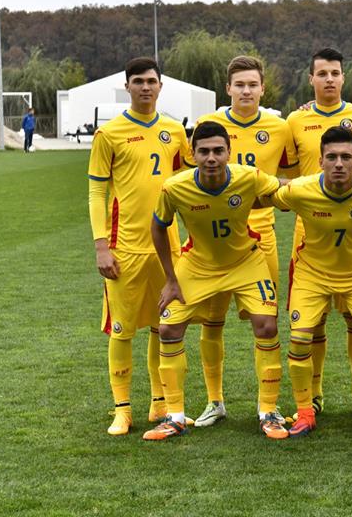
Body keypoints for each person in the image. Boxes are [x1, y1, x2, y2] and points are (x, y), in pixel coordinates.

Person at [142, 121, 287, 441]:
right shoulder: (175, 187)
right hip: (198, 264)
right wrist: (170, 279)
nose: (211, 157)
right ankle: (175, 415)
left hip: (246, 261)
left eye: (218, 151)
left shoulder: (248, 176)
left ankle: (268, 411)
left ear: (229, 153)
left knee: (267, 325)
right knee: (168, 327)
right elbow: (157, 227)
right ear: (192, 154)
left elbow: (281, 189)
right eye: (204, 151)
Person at [185, 55, 299, 429]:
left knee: (265, 325)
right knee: (211, 322)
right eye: (240, 84)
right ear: (228, 88)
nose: (246, 90)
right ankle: (214, 401)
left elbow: (292, 177)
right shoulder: (209, 126)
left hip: (260, 238)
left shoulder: (279, 126)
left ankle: (267, 406)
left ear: (263, 88)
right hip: (212, 239)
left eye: (253, 84)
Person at [87, 56, 190, 436]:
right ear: (127, 86)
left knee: (163, 327)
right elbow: (97, 192)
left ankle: (159, 405)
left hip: (169, 248)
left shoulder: (175, 131)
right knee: (122, 329)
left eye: (151, 81)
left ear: (161, 86)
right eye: (138, 81)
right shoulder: (109, 134)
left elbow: (187, 186)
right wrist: (101, 245)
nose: (145, 87)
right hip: (124, 249)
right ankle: (122, 409)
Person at [268, 126, 352, 437]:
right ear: (320, 161)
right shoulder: (300, 190)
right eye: (332, 157)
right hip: (312, 275)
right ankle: (305, 412)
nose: (339, 163)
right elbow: (264, 197)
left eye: (346, 157)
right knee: (300, 337)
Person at [285, 48, 352, 417]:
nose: (329, 79)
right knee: (311, 321)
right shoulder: (294, 120)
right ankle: (315, 394)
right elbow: (286, 171)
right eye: (321, 73)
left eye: (335, 73)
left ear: (343, 77)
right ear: (311, 79)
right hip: (309, 234)